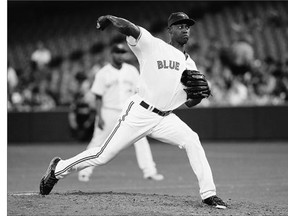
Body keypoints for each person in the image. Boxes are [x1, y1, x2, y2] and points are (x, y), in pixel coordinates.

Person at [40, 12, 227, 209]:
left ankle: (209, 194)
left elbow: (190, 103)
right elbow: (131, 28)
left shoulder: (190, 65)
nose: (185, 29)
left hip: (165, 118)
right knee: (102, 155)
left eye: (187, 26)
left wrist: (199, 95)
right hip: (140, 112)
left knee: (192, 140)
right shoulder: (153, 46)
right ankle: (58, 169)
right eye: (179, 25)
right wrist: (110, 19)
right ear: (169, 30)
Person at [78, 42, 164, 181]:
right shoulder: (103, 72)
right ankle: (84, 171)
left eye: (123, 52)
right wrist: (99, 116)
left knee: (141, 140)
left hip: (129, 112)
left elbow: (139, 91)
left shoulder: (132, 70)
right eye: (117, 52)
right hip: (108, 111)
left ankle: (150, 171)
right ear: (112, 54)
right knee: (97, 141)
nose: (120, 55)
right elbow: (98, 97)